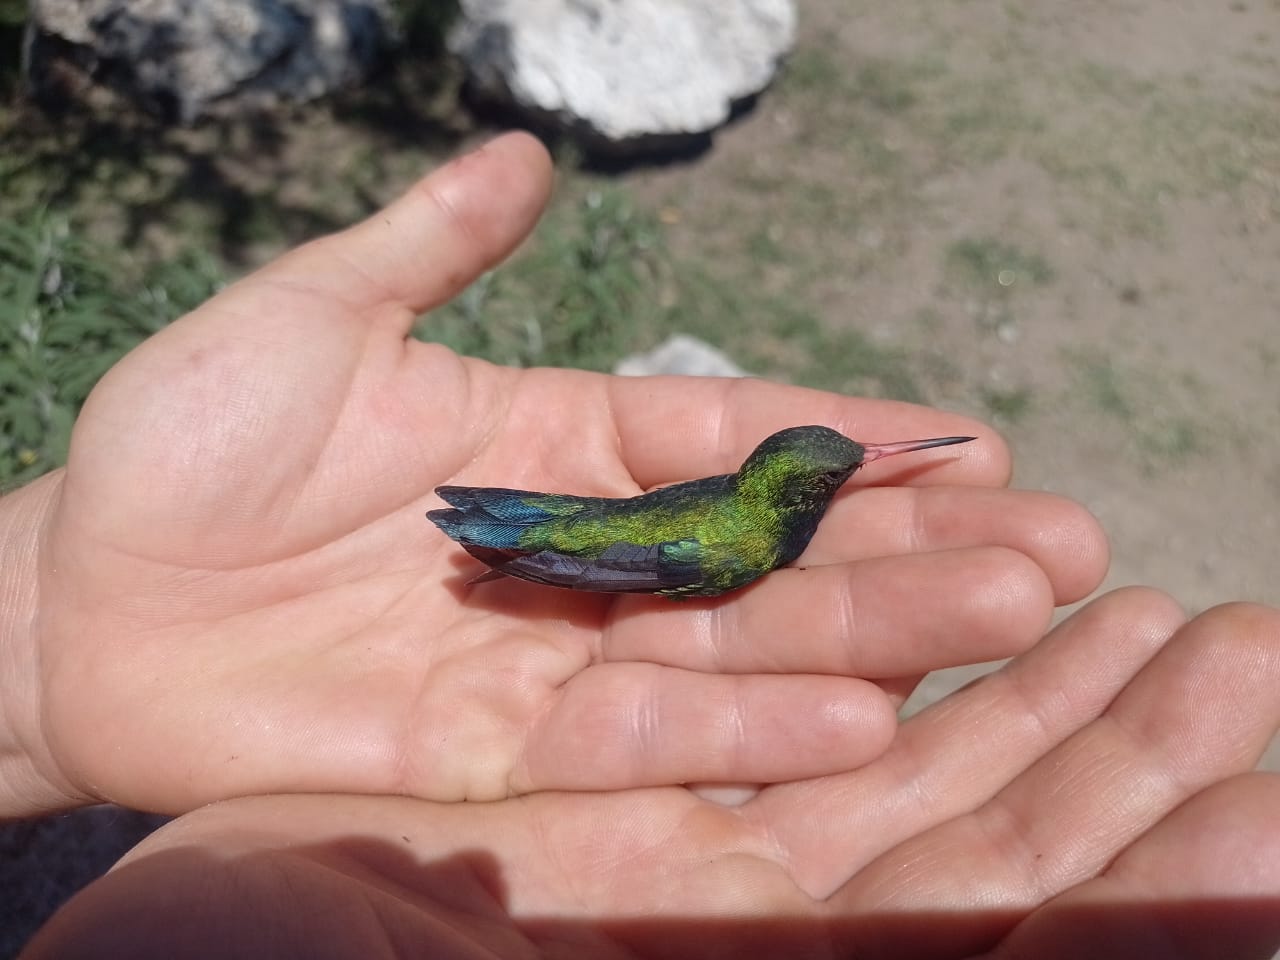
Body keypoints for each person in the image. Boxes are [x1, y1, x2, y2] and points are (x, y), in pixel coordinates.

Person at [3, 133, 1276, 958]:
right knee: (544, 530)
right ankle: (496, 527)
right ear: (794, 491)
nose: (849, 478)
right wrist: (530, 559)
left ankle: (498, 527)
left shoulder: (756, 502)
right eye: (837, 474)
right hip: (605, 542)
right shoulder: (744, 542)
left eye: (845, 473)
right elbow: (633, 552)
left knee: (544, 530)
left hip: (614, 533)